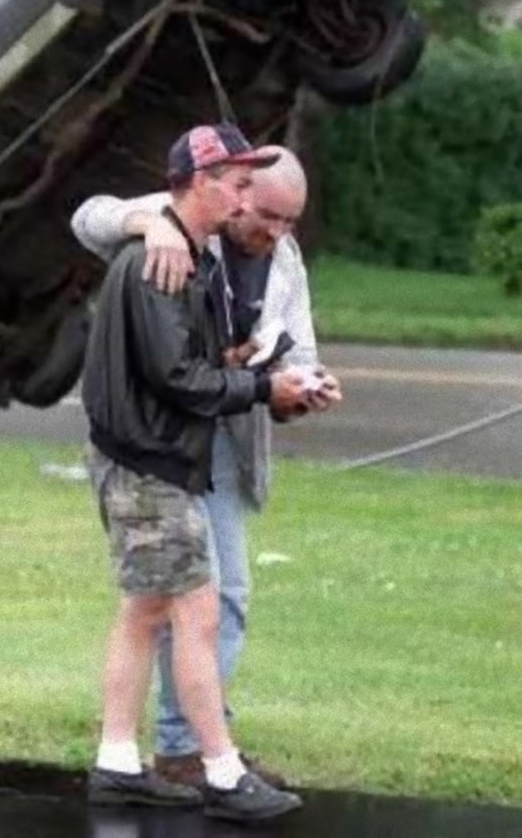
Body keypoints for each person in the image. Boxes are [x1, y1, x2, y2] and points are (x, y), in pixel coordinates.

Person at [73, 144, 341, 789]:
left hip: (224, 429)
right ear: (236, 193)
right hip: (161, 437)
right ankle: (193, 754)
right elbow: (89, 217)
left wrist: (301, 389)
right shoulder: (186, 223)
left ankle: (176, 749)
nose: (277, 233)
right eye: (268, 216)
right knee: (181, 599)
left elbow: (294, 355)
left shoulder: (284, 259)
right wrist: (152, 222)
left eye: (291, 221)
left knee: (214, 598)